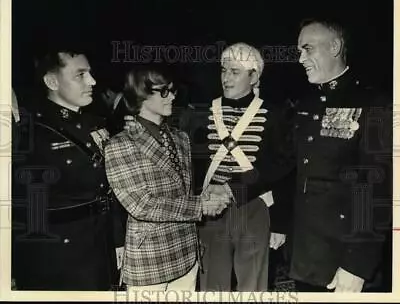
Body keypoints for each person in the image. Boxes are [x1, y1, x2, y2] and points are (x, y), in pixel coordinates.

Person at [105, 66, 229, 291]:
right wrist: (200, 205)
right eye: (164, 91)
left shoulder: (181, 138)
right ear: (141, 94)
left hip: (187, 254)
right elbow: (142, 205)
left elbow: (181, 191)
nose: (172, 96)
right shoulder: (120, 144)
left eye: (172, 90)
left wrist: (207, 194)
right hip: (150, 259)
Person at [290, 18, 392, 292]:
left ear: (334, 47)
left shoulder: (374, 104)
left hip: (346, 260)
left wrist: (357, 265)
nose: (300, 58)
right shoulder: (306, 104)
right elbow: (288, 167)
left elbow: (378, 189)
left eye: (307, 48)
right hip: (308, 255)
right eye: (300, 50)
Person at [12, 47, 125, 290]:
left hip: (100, 247)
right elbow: (22, 211)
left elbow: (109, 192)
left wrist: (117, 240)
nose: (92, 81)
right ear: (52, 81)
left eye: (91, 73)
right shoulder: (31, 134)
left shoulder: (96, 124)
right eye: (80, 75)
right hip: (59, 259)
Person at [194, 42, 296, 291]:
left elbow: (283, 168)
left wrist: (280, 224)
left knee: (253, 285)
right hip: (211, 210)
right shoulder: (204, 113)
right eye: (223, 70)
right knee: (211, 285)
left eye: (234, 72)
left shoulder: (274, 114)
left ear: (254, 77)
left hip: (254, 208)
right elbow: (195, 165)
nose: (226, 78)